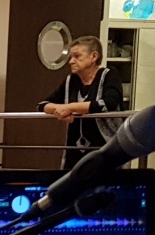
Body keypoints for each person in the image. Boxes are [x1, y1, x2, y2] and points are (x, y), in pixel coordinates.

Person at [40, 35, 125, 168]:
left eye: (77, 56)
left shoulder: (109, 75)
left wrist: (70, 107)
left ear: (94, 56)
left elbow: (108, 104)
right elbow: (42, 105)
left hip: (106, 150)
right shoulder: (71, 80)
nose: (71, 61)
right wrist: (59, 110)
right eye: (70, 57)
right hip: (74, 152)